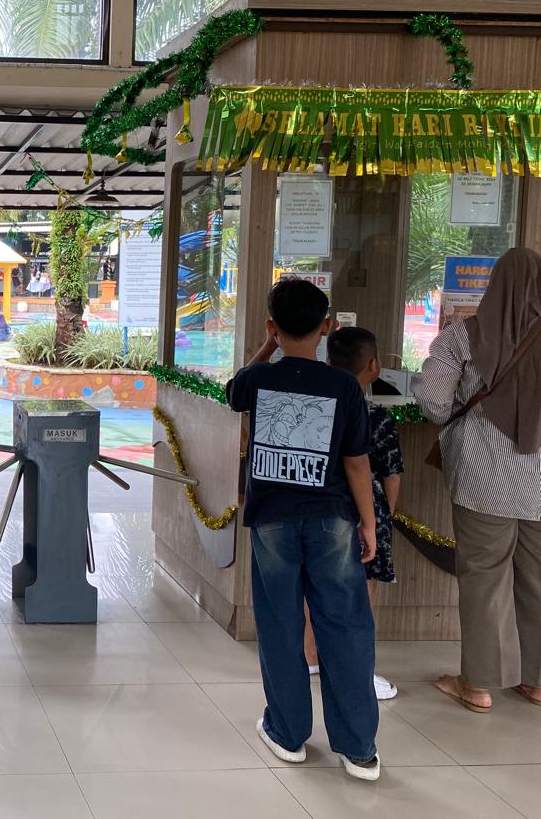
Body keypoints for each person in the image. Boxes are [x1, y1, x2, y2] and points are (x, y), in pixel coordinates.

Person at [226, 279, 382, 782]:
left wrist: (269, 344)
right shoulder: (344, 385)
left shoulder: (259, 379)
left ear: (272, 327)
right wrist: (369, 523)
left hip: (272, 519)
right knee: (345, 625)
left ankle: (288, 733)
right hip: (333, 518)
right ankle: (358, 748)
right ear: (327, 326)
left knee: (280, 624)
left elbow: (235, 387)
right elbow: (357, 463)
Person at [415, 247, 541, 713]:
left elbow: (433, 403)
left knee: (485, 579)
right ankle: (536, 682)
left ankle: (479, 684)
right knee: (538, 580)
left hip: (485, 480)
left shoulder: (463, 337)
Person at [304, 327, 403, 701]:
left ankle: (309, 656)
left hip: (319, 507)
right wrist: (382, 517)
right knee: (361, 590)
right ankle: (356, 670)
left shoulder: (318, 408)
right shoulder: (376, 415)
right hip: (365, 512)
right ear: (374, 366)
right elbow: (391, 473)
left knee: (313, 583)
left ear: (329, 362)